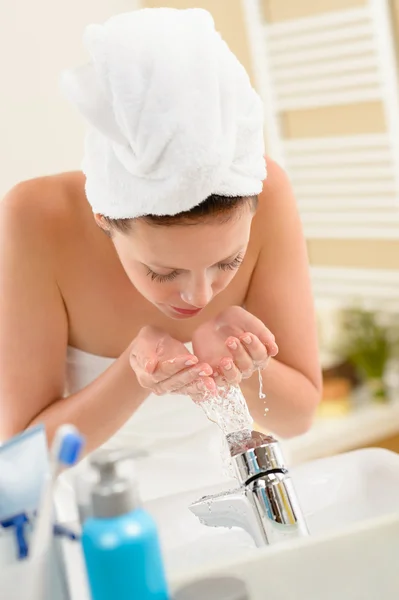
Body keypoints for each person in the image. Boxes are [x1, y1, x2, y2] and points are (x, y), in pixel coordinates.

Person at [0, 8, 321, 503]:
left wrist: (241, 362)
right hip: (105, 517)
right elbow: (24, 461)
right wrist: (135, 372)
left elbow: (299, 418)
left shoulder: (267, 188)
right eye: (163, 271)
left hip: (252, 497)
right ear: (104, 218)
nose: (199, 295)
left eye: (228, 264)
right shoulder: (37, 216)